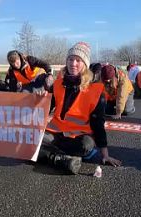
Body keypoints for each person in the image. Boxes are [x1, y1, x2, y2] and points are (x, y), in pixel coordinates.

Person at [37, 42, 121, 174]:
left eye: (78, 60)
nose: (73, 63)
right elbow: (46, 108)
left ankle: (50, 154)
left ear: (85, 65)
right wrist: (41, 100)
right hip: (56, 133)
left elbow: (98, 123)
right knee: (34, 139)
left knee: (86, 146)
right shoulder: (58, 84)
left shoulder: (96, 90)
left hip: (79, 136)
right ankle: (60, 160)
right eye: (70, 59)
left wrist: (105, 154)